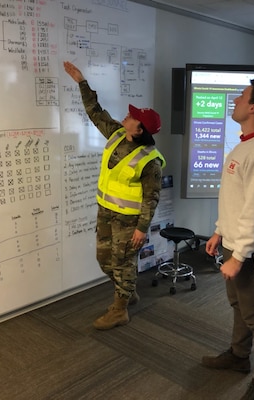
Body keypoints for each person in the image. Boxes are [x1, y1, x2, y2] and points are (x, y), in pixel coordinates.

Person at [201, 79, 254, 400]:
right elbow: (237, 201)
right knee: (239, 305)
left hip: (252, 250)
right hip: (234, 243)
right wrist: (220, 231)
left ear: (253, 107)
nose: (235, 99)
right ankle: (239, 357)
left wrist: (238, 256)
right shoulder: (245, 144)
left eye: (242, 96)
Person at [63, 61, 166, 330]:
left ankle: (120, 308)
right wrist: (81, 82)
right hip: (106, 212)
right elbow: (95, 112)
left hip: (129, 221)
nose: (126, 117)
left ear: (139, 130)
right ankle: (127, 290)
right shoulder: (118, 134)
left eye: (131, 117)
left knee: (122, 262)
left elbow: (151, 197)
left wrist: (142, 229)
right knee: (104, 260)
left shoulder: (150, 162)